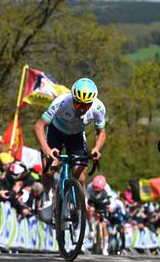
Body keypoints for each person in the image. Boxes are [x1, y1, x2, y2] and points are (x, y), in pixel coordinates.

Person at [34, 77, 107, 214]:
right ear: (73, 98)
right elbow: (39, 126)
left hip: (76, 136)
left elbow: (101, 132)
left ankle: (80, 207)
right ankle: (48, 193)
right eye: (78, 105)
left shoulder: (98, 108)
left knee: (80, 175)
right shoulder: (61, 102)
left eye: (86, 106)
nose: (81, 109)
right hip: (55, 132)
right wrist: (46, 149)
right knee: (50, 168)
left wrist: (97, 148)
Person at [86, 174, 116, 255]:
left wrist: (111, 207)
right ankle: (91, 228)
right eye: (96, 190)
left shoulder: (107, 187)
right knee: (90, 210)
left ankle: (105, 247)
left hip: (103, 203)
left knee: (104, 225)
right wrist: (87, 206)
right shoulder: (90, 186)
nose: (97, 191)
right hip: (93, 202)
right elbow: (86, 198)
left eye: (98, 190)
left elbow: (112, 199)